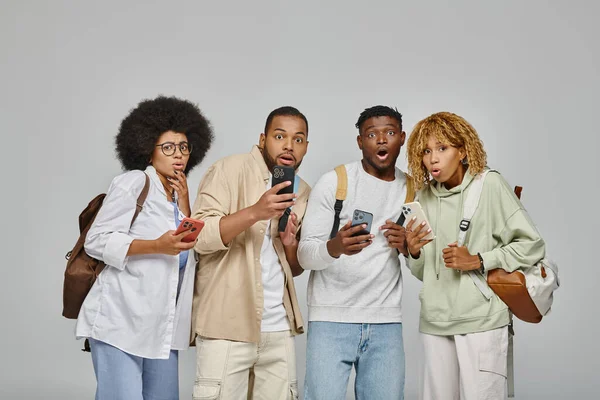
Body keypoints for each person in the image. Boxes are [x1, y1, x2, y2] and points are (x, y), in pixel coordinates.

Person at [75, 95, 214, 400]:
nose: (178, 155)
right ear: (147, 150)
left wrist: (185, 204)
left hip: (160, 329)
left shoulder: (176, 196)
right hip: (120, 321)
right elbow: (97, 239)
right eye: (167, 147)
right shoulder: (135, 182)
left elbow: (186, 256)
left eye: (183, 147)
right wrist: (156, 245)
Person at [404, 111, 545, 400]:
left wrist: (479, 260)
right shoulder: (424, 197)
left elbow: (532, 245)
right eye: (426, 151)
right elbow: (423, 272)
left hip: (482, 321)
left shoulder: (490, 185)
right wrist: (414, 252)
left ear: (464, 150)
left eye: (442, 148)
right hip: (434, 321)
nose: (433, 159)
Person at [191, 106, 310, 399]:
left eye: (298, 139)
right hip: (226, 325)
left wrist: (290, 243)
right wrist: (256, 212)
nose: (288, 146)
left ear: (306, 147)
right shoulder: (228, 169)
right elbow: (200, 237)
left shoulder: (302, 190)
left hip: (278, 328)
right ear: (262, 139)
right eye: (279, 136)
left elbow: (294, 269)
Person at [298, 105, 410, 400]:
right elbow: (305, 255)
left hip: (386, 322)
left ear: (402, 138)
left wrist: (409, 247)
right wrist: (336, 247)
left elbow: (423, 260)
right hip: (330, 320)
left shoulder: (411, 190)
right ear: (360, 141)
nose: (382, 140)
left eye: (389, 132)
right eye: (372, 134)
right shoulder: (335, 182)